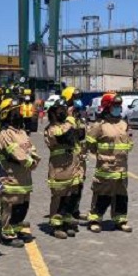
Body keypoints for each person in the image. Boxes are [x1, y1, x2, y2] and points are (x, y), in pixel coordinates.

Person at [0, 97, 40, 247]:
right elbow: (15, 151)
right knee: (10, 205)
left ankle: (16, 229)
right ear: (6, 114)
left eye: (19, 111)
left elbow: (30, 147)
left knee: (22, 206)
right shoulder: (5, 134)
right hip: (12, 176)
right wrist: (29, 162)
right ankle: (7, 234)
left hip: (25, 177)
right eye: (15, 112)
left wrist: (34, 158)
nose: (18, 114)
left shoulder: (21, 132)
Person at [86, 93, 133, 233]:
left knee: (121, 195)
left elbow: (128, 142)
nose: (118, 108)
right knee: (102, 194)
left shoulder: (123, 124)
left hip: (121, 168)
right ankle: (95, 220)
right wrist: (102, 156)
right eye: (115, 105)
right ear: (107, 107)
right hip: (106, 167)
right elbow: (90, 143)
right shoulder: (100, 125)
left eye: (119, 105)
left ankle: (120, 220)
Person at [44, 98, 81, 239]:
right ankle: (56, 225)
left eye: (64, 109)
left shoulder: (65, 124)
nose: (63, 112)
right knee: (58, 197)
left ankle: (66, 223)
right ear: (53, 112)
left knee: (69, 197)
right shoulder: (51, 129)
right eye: (60, 110)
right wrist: (71, 120)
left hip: (71, 166)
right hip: (58, 169)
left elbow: (78, 136)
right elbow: (65, 136)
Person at [61, 86, 87, 223]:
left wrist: (81, 120)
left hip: (79, 156)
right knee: (69, 187)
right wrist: (70, 117)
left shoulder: (78, 115)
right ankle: (66, 213)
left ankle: (75, 211)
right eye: (75, 98)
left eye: (78, 98)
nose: (78, 101)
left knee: (79, 184)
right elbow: (66, 135)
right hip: (68, 157)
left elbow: (82, 135)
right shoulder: (64, 116)